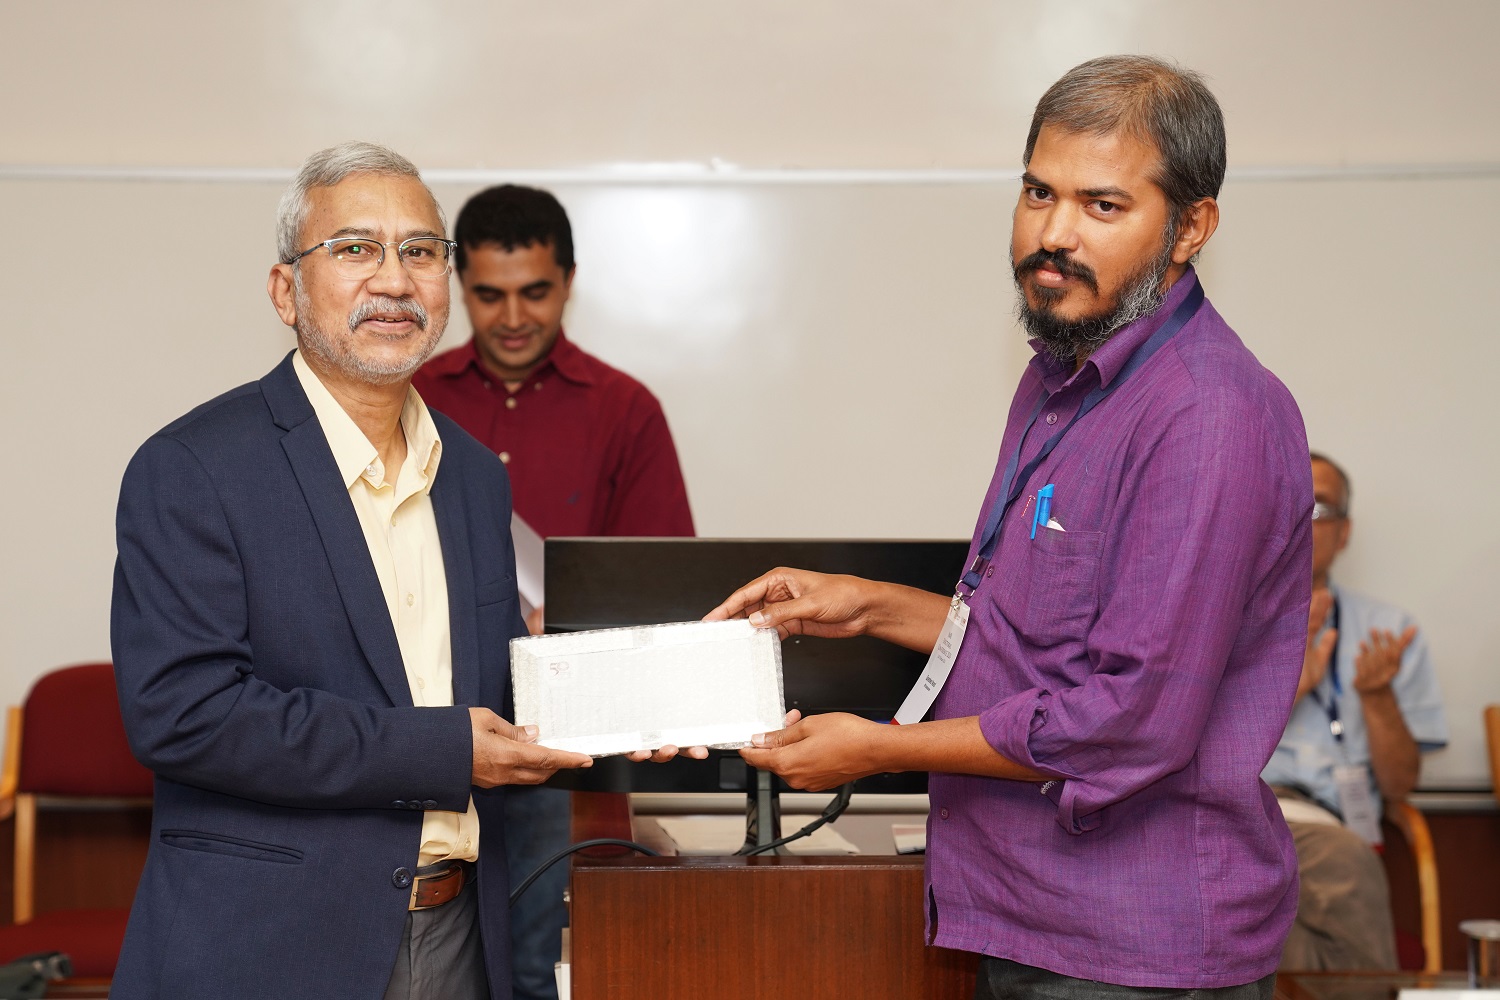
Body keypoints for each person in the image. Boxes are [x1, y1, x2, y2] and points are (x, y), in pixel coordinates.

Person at [708, 56, 1311, 997]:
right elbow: (1041, 639)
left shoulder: (1206, 415)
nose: (1054, 235)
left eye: (1103, 206)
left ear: (1191, 226)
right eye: (1038, 192)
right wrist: (869, 606)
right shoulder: (1058, 375)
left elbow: (1129, 718)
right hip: (1030, 914)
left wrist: (880, 747)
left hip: (1133, 945)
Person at [108, 141, 604, 1000]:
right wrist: (442, 749)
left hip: (461, 934)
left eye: (420, 251)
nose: (394, 279)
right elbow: (184, 716)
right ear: (284, 290)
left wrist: (636, 707)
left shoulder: (476, 476)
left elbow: (494, 690)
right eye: (354, 249)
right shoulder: (194, 466)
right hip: (267, 941)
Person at [413, 184, 694, 1000]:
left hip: (564, 742)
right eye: (490, 294)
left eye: (534, 291)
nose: (511, 317)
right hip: (432, 733)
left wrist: (562, 619)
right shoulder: (412, 400)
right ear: (459, 284)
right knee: (426, 967)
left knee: (539, 974)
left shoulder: (625, 409)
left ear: (568, 280)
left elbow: (662, 587)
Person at [1265, 453, 1447, 970]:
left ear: (1345, 533)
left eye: (1319, 508)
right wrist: (1288, 687)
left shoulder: (1388, 631)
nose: (1303, 521)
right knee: (1343, 863)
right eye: (1291, 504)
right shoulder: (1222, 621)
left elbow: (1397, 786)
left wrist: (1377, 698)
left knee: (1338, 865)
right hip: (1246, 811)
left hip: (1340, 823)